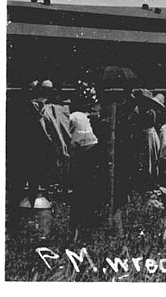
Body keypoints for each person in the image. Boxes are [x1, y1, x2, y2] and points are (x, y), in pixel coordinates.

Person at [69, 80, 102, 236]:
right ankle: (88, 223)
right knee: (89, 189)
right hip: (92, 152)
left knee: (80, 189)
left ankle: (80, 225)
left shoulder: (74, 116)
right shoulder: (88, 117)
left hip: (82, 154)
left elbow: (69, 135)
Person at [134, 90, 164, 191]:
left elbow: (141, 124)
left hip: (148, 134)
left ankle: (151, 181)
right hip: (148, 134)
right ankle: (148, 180)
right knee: (148, 158)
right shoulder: (145, 110)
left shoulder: (149, 112)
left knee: (150, 157)